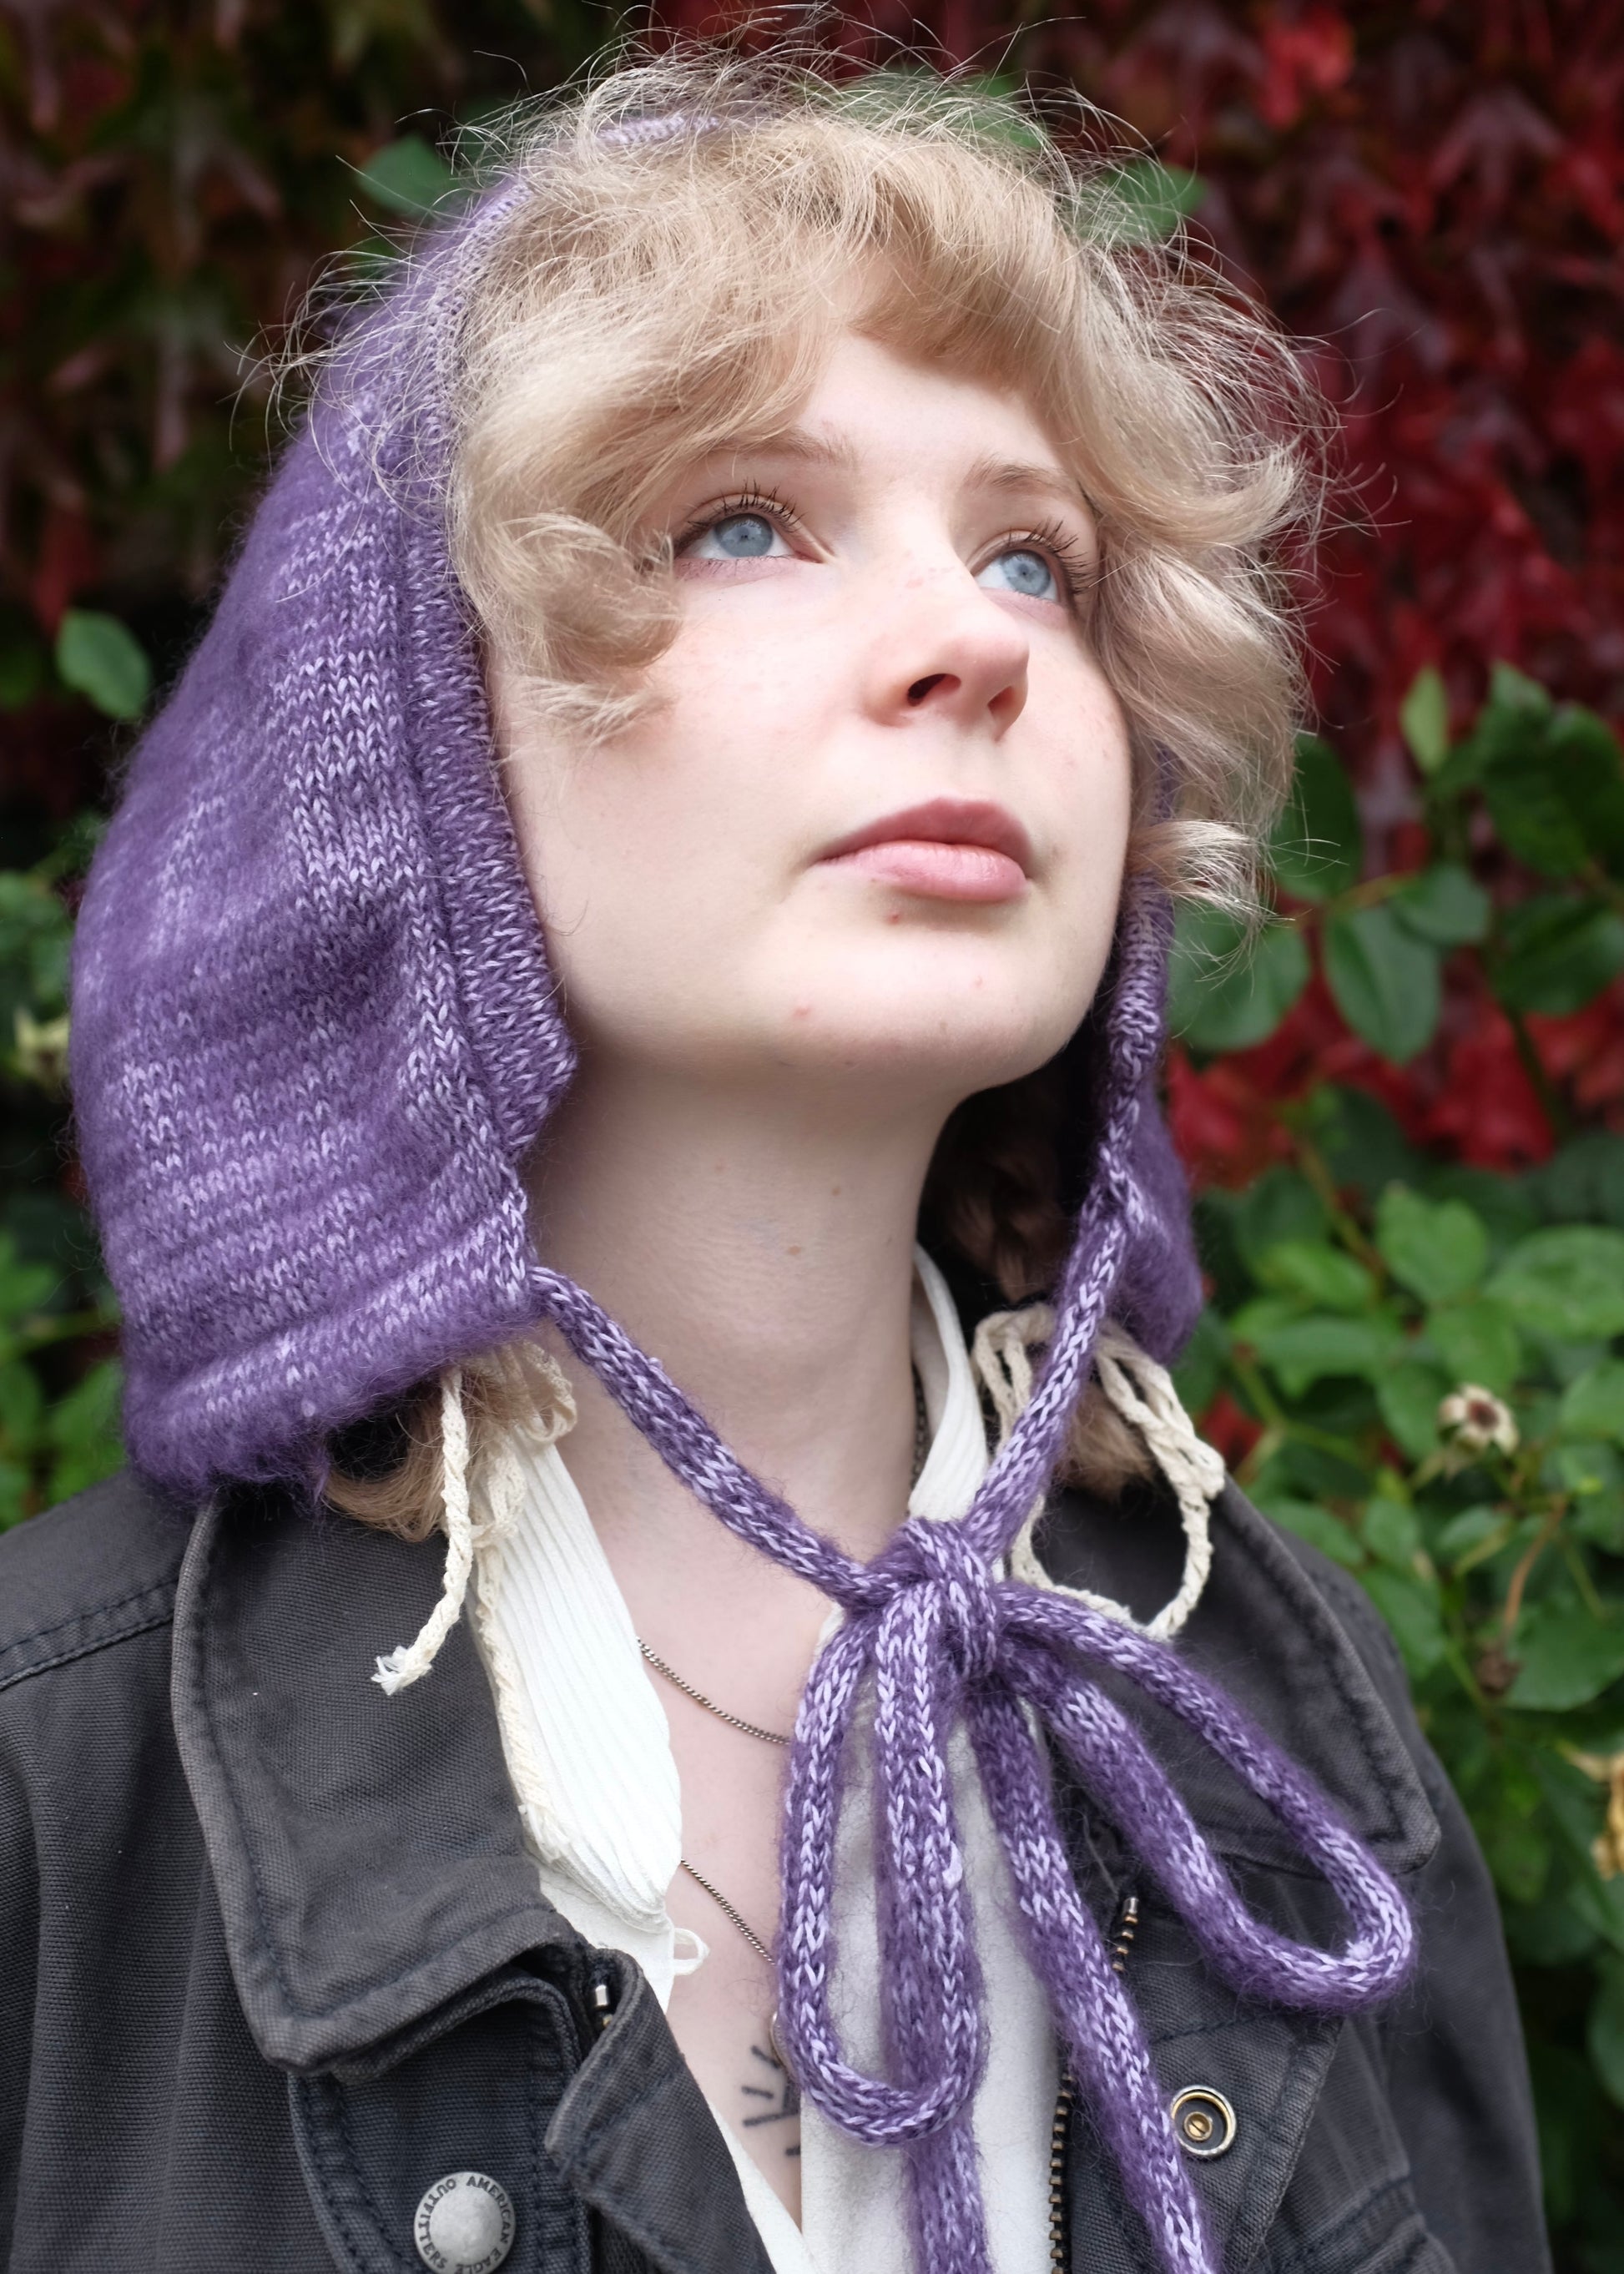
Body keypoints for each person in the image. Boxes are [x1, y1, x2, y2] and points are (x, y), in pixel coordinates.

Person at [0, 50, 1548, 2274]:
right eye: (743, 521)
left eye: (1039, 559)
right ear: (404, 729)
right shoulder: (59, 1802)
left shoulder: (1278, 1720)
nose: (975, 646)